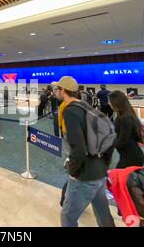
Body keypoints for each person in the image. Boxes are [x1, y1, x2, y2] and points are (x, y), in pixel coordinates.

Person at [52, 76, 115, 227]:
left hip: (85, 173)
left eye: (58, 89)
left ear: (63, 91)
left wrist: (73, 173)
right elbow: (109, 136)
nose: (56, 92)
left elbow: (78, 148)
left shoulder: (70, 111)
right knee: (103, 213)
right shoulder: (85, 106)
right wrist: (104, 164)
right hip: (99, 169)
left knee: (68, 216)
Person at [109, 91, 144, 168]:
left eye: (110, 101)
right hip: (130, 155)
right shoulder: (126, 114)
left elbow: (123, 141)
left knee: (117, 177)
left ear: (116, 103)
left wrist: (108, 143)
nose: (109, 103)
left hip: (131, 158)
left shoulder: (125, 118)